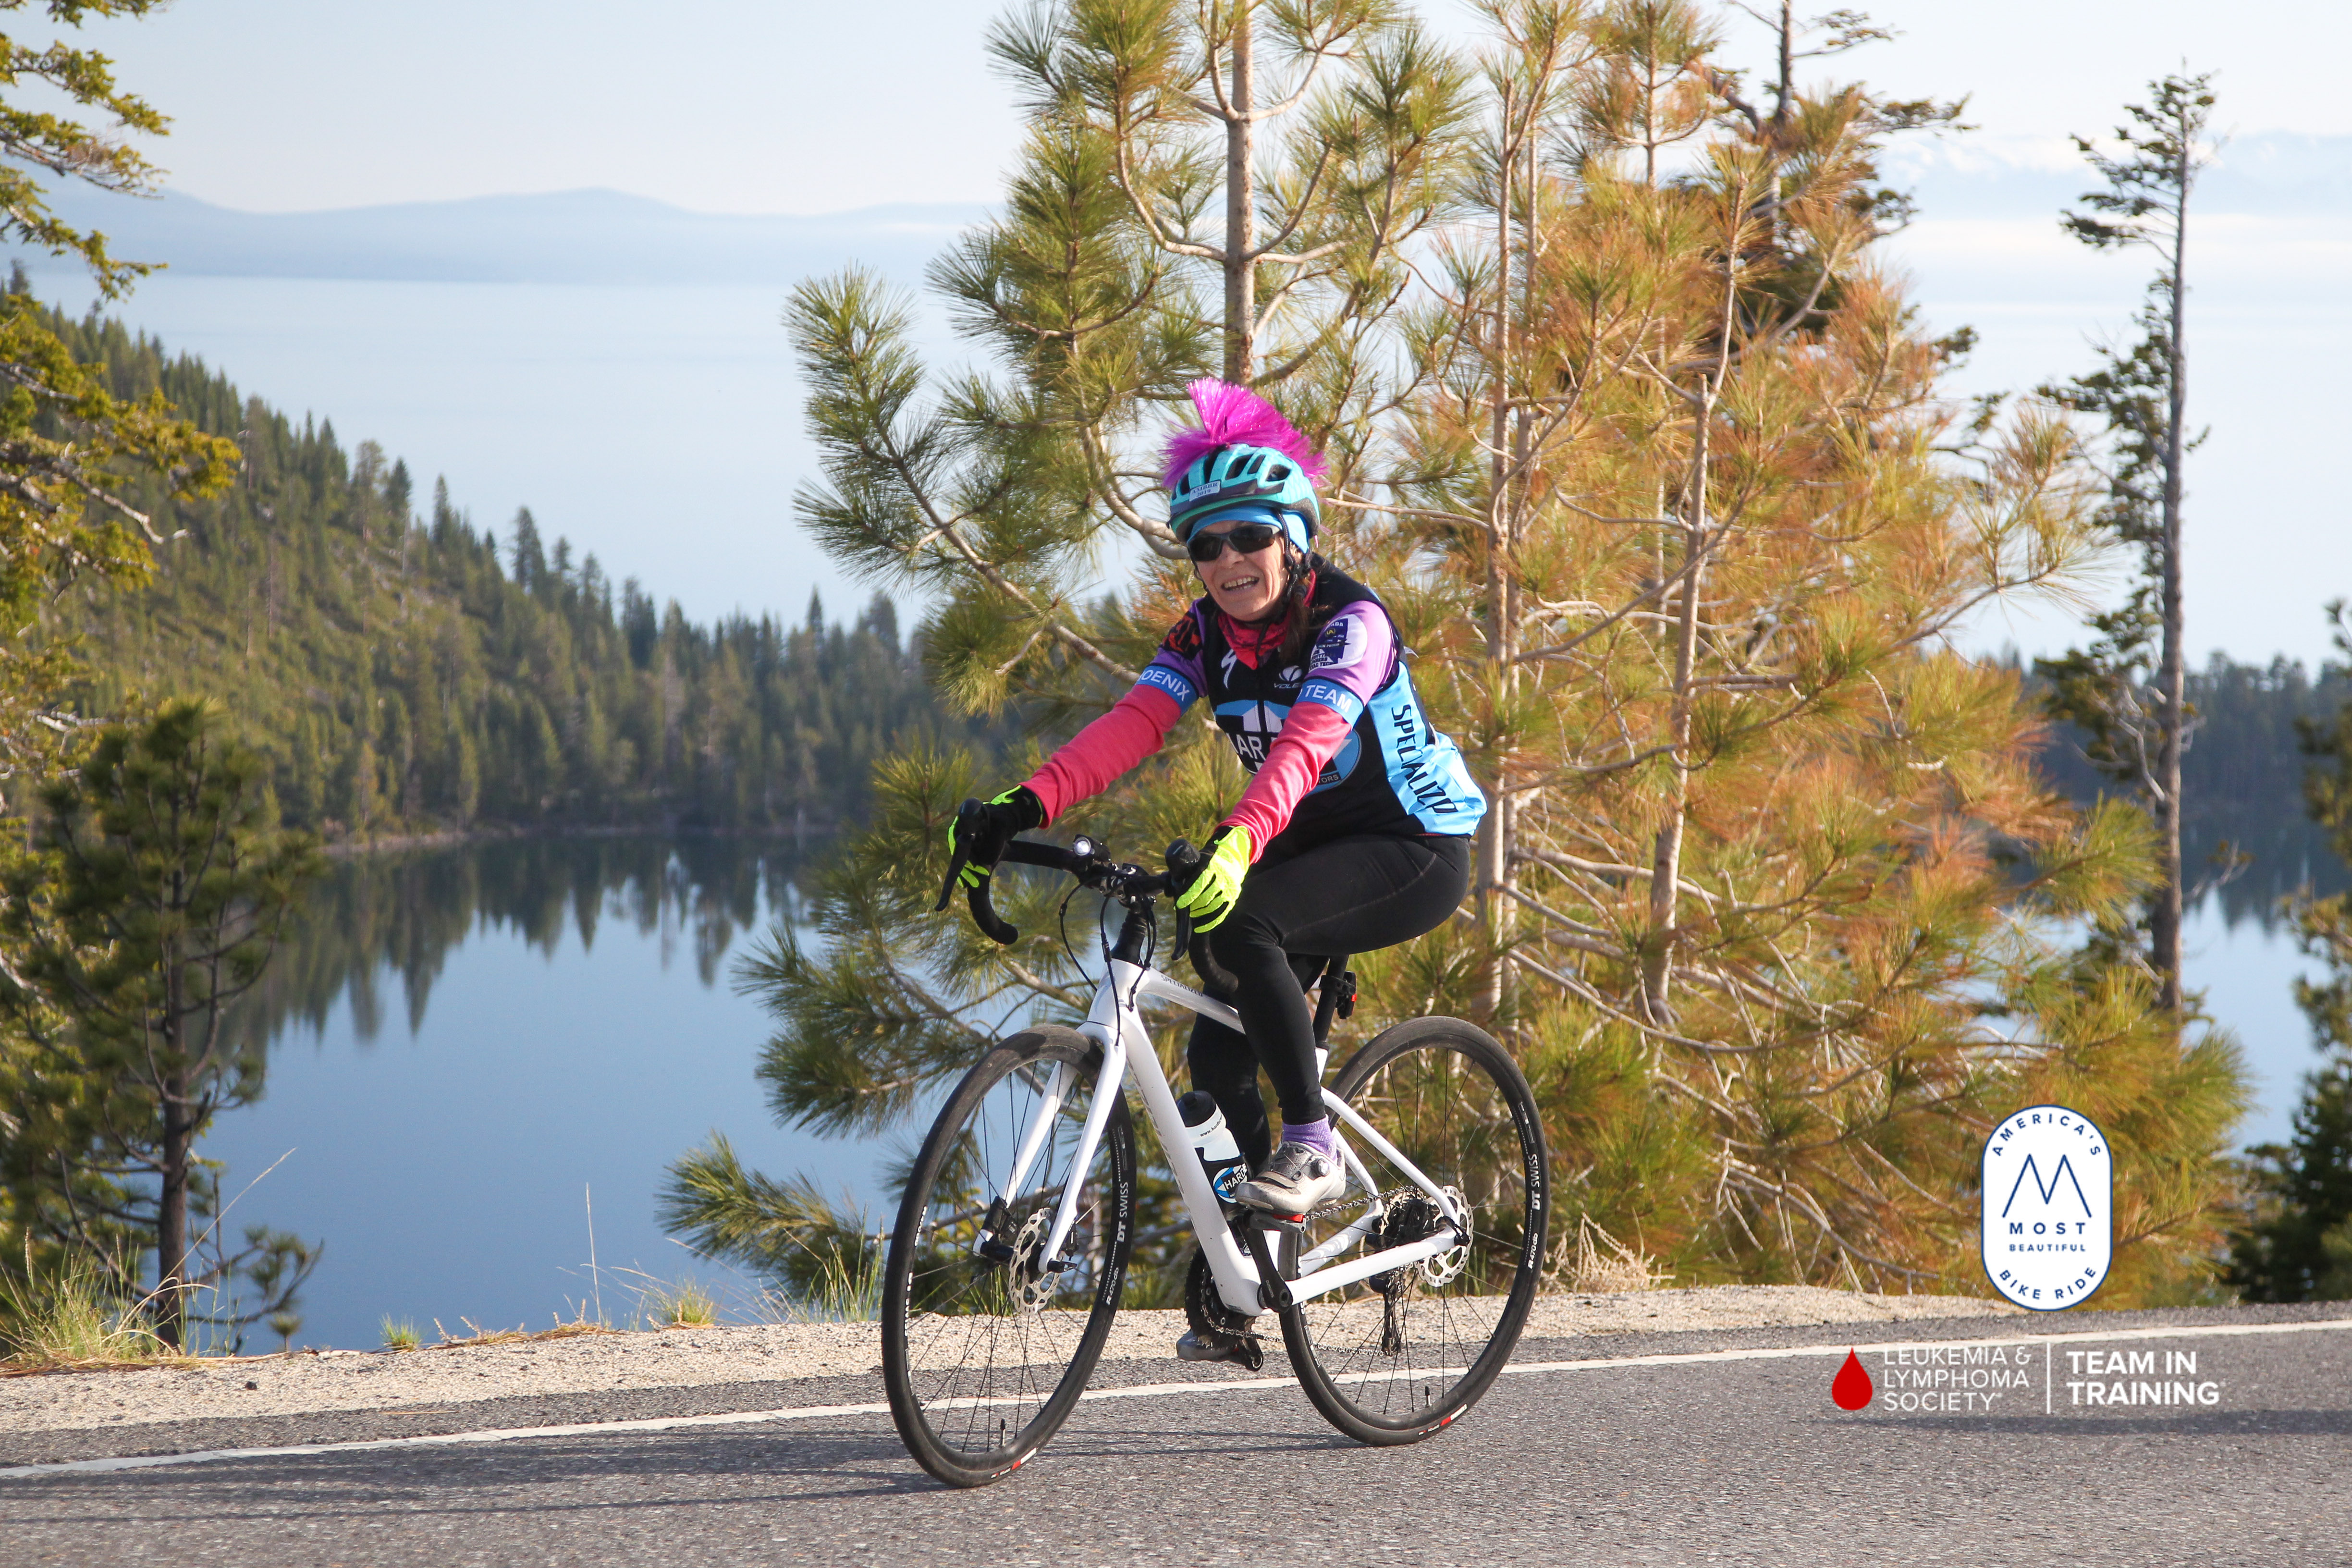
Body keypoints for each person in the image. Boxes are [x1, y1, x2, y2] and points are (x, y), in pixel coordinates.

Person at [952, 380, 1485, 1343]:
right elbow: (1133, 725)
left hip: (1414, 846)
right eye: (1205, 545)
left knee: (1243, 919)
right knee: (1212, 1053)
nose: (1227, 561)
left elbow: (1307, 746)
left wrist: (1239, 845)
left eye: (1247, 537)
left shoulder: (1349, 626)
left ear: (1293, 536)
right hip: (1302, 848)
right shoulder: (1206, 636)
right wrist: (1023, 804)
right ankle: (1255, 1274)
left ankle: (1313, 1143)